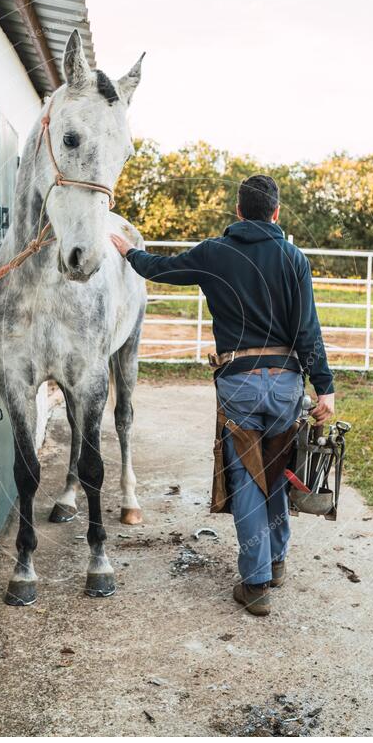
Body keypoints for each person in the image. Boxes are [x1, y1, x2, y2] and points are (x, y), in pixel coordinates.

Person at [111, 174, 335, 616]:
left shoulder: (215, 253)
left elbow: (161, 268)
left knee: (247, 479)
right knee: (275, 472)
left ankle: (255, 585)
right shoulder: (294, 258)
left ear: (238, 211)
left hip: (239, 383)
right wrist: (324, 386)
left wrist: (128, 252)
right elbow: (307, 329)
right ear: (276, 212)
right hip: (287, 381)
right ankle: (276, 559)